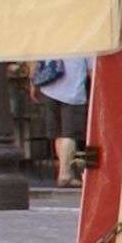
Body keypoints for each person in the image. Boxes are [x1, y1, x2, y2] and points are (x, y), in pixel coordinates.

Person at [33, 55, 93, 186]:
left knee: (58, 134)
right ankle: (65, 174)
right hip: (72, 92)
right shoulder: (86, 41)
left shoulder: (54, 35)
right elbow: (91, 70)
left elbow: (38, 60)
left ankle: (63, 171)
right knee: (70, 134)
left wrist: (33, 83)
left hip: (48, 87)